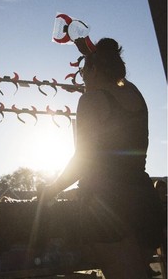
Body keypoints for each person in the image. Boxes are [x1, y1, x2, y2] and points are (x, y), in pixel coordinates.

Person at [42, 38, 164, 278]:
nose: (82, 78)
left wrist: (52, 189)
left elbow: (83, 159)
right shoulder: (134, 94)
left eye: (83, 72)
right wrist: (92, 54)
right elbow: (113, 72)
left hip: (108, 204)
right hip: (142, 201)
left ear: (95, 70)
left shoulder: (91, 100)